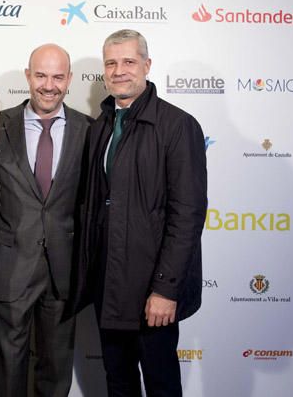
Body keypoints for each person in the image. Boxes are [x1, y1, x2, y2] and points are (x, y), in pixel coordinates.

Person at [75, 29, 207, 396]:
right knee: (118, 382)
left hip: (153, 290)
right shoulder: (100, 125)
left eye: (129, 62)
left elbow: (188, 214)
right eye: (111, 63)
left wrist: (165, 289)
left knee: (161, 384)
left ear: (147, 65)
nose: (119, 71)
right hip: (109, 286)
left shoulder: (178, 125)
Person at [0, 44, 91, 397]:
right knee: (7, 369)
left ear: (70, 81)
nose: (49, 85)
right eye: (41, 75)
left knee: (56, 369)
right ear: (28, 76)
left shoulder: (89, 130)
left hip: (64, 270)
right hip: (11, 265)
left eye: (58, 77)